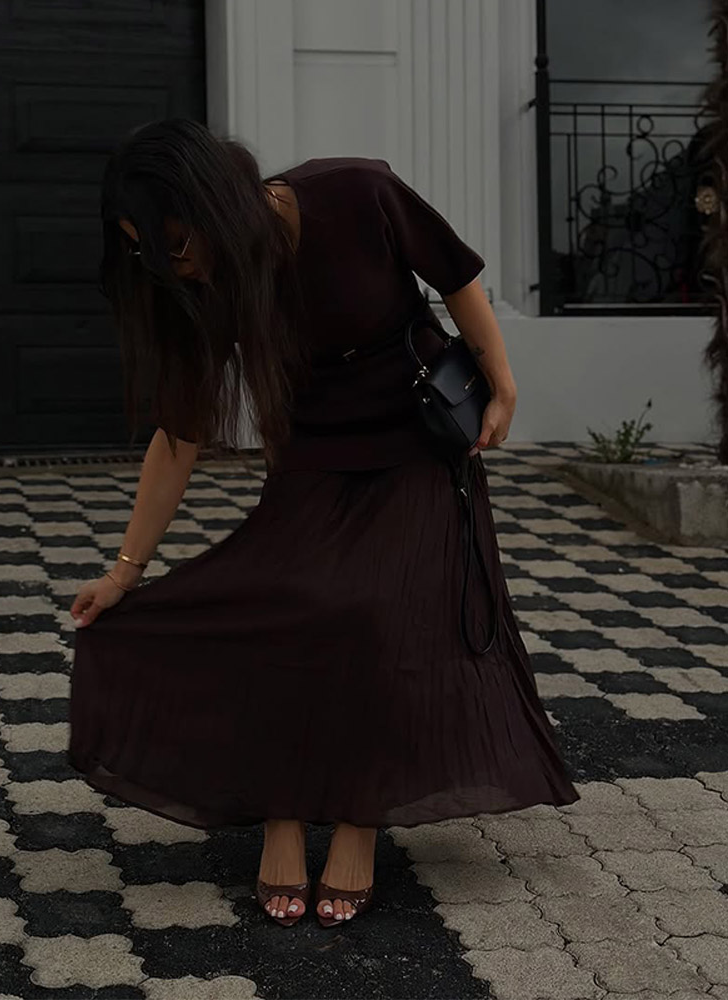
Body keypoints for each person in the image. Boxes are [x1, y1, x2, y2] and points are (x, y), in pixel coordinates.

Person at [68, 118, 581, 930]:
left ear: (215, 202)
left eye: (171, 242)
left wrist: (502, 376)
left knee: (376, 618)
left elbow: (455, 273)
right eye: (143, 253)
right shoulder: (207, 286)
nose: (169, 265)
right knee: (286, 610)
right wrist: (124, 572)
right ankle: (282, 812)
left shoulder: (356, 191)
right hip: (310, 456)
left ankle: (356, 820)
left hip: (416, 443)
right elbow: (178, 436)